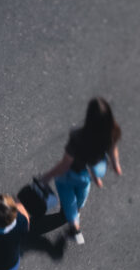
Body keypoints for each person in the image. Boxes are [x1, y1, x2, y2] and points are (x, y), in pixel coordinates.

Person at [34, 97, 123, 246]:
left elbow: (64, 165)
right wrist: (116, 165)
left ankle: (75, 227)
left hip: (70, 174)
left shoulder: (78, 136)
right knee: (82, 194)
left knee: (68, 199)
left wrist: (46, 177)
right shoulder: (112, 132)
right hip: (87, 174)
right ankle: (80, 206)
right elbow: (113, 150)